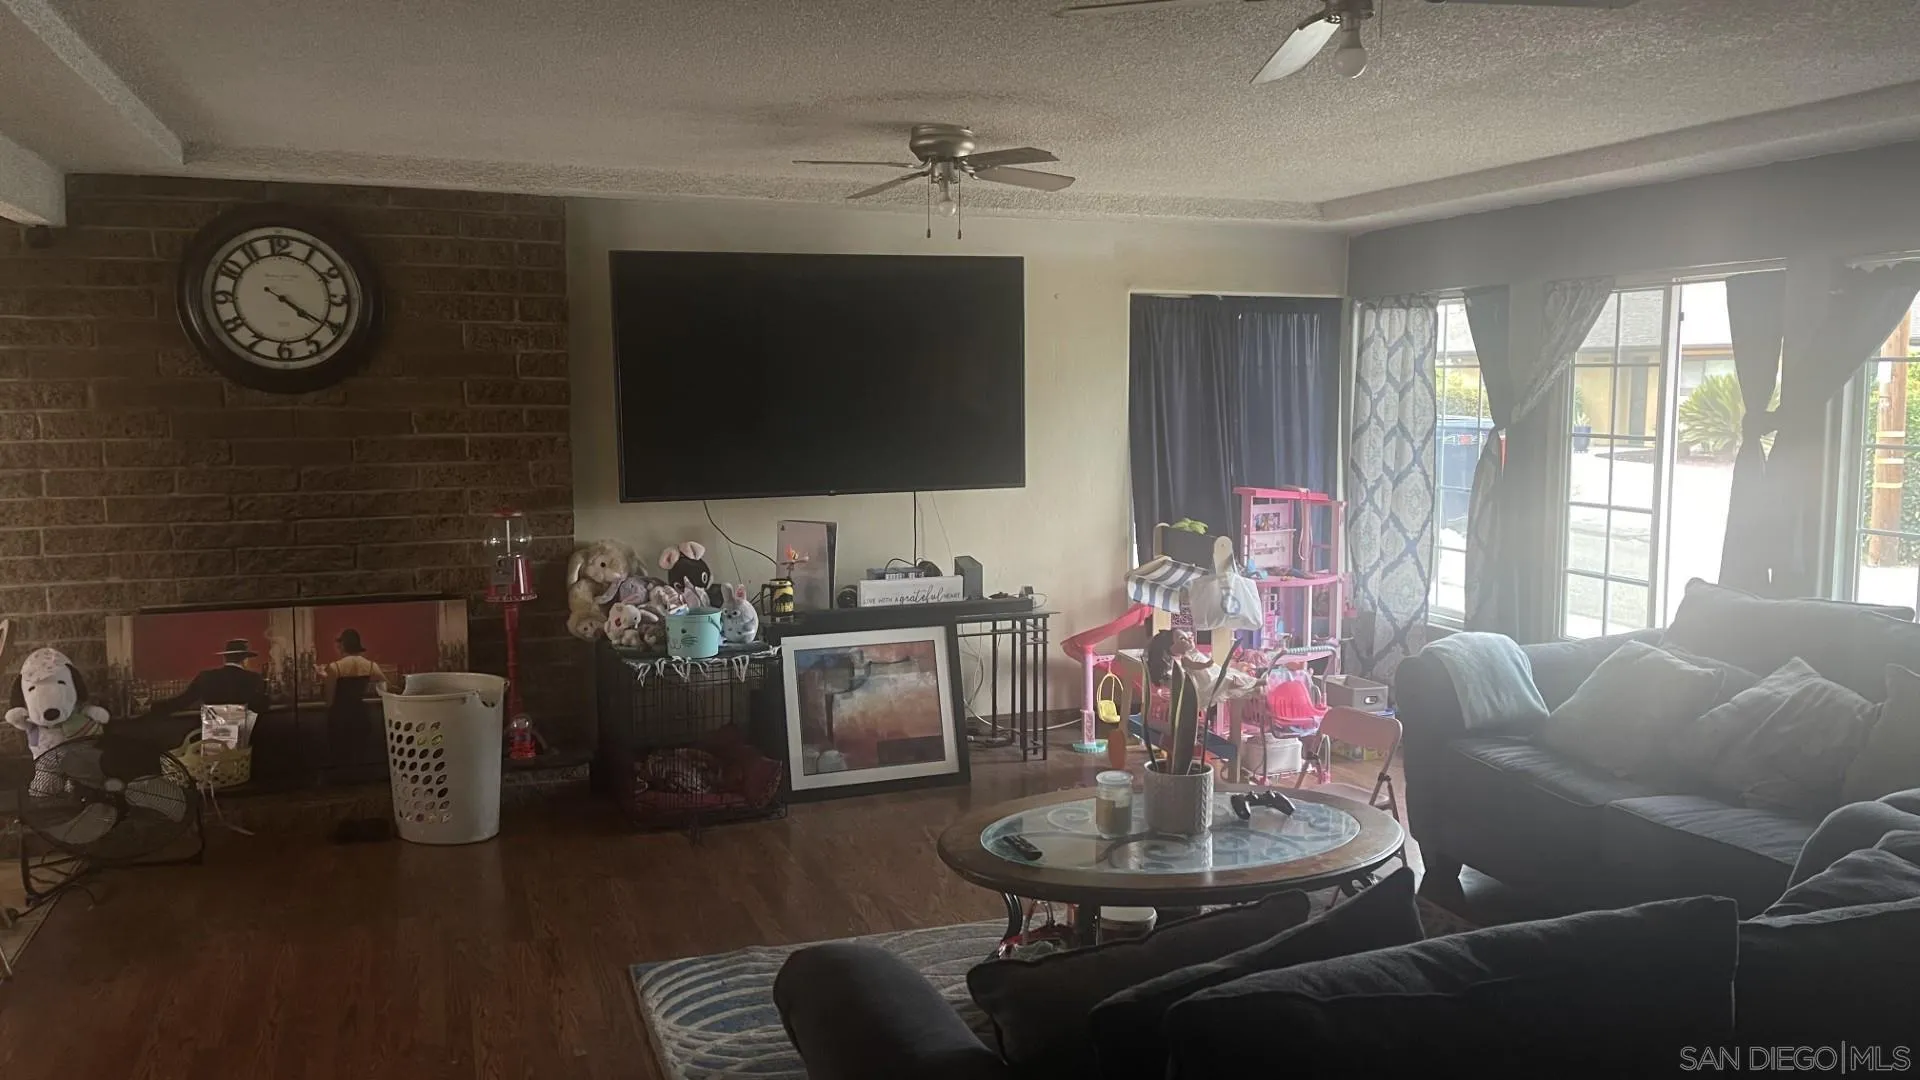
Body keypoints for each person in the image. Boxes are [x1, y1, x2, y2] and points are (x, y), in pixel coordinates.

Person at [317, 629, 387, 772]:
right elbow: (386, 687)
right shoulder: (371, 665)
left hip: (340, 718)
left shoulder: (335, 667)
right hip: (360, 716)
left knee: (341, 759)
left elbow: (329, 700)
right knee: (360, 757)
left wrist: (324, 678)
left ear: (343, 646)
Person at [158, 638, 271, 719]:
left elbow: (182, 701)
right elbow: (262, 706)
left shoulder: (206, 677)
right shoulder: (254, 678)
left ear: (225, 658)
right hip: (245, 740)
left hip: (213, 740)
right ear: (244, 660)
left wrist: (153, 707)